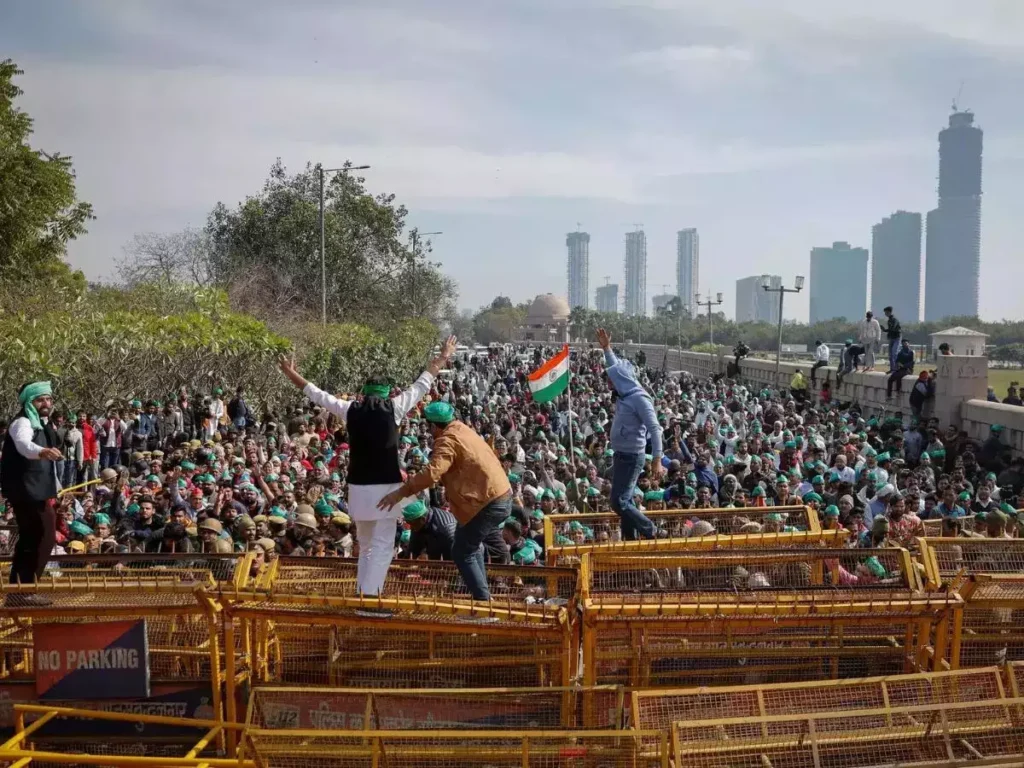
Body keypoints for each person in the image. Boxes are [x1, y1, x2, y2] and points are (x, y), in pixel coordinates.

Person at [278, 335, 456, 596]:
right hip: (387, 489)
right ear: (387, 393)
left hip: (358, 490)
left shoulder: (350, 410)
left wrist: (292, 374)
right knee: (383, 545)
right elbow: (423, 383)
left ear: (364, 393)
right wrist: (443, 357)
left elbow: (317, 394)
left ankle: (363, 593)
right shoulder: (395, 407)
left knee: (367, 545)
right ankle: (371, 599)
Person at [378, 400, 512, 606]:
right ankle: (484, 596)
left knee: (462, 551)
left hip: (487, 501)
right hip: (494, 496)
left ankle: (483, 602)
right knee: (468, 545)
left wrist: (400, 493)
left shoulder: (447, 439)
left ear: (433, 426)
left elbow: (432, 473)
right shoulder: (462, 428)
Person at [595, 328, 663, 540]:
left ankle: (652, 530)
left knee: (618, 502)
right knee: (626, 499)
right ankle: (630, 538)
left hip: (632, 456)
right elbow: (616, 367)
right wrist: (607, 348)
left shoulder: (640, 399)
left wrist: (658, 459)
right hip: (621, 454)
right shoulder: (625, 392)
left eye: (611, 380)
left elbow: (655, 428)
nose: (609, 382)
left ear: (620, 381)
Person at [0, 381, 63, 598]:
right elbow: (25, 447)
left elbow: (48, 465)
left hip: (36, 489)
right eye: (40, 399)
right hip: (27, 490)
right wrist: (43, 451)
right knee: (44, 536)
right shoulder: (23, 422)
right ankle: (26, 590)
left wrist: (59, 487)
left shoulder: (41, 423)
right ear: (29, 401)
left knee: (31, 538)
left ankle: (20, 591)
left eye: (48, 399)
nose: (46, 403)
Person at [882, 306, 901, 372]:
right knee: (890, 354)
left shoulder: (894, 319)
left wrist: (885, 330)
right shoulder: (889, 320)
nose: (885, 314)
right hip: (891, 338)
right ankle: (892, 369)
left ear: (889, 312)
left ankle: (896, 369)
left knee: (894, 353)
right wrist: (884, 330)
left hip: (897, 338)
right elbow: (890, 329)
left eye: (886, 312)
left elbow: (893, 328)